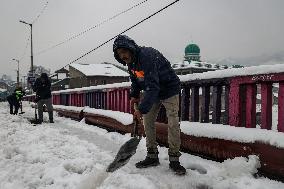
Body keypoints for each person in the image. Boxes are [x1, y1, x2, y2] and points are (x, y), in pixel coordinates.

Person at [113, 35, 186, 175]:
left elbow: (153, 87)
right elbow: (135, 79)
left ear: (130, 48)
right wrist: (134, 95)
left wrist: (141, 109)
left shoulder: (147, 57)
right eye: (119, 53)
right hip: (153, 90)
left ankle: (174, 159)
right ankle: (152, 156)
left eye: (124, 51)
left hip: (169, 89)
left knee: (173, 123)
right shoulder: (131, 62)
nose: (122, 55)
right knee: (147, 121)